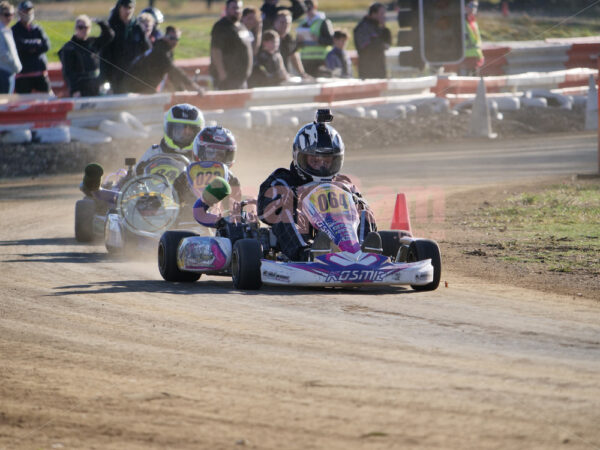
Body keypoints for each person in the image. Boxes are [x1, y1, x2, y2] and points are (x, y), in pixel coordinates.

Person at [257, 109, 378, 262]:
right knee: (284, 211)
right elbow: (264, 213)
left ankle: (363, 250)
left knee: (363, 210)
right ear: (299, 157)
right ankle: (307, 254)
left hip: (339, 235)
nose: (321, 167)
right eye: (315, 161)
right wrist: (293, 195)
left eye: (326, 162)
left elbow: (361, 205)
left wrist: (354, 199)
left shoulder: (342, 183)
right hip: (300, 237)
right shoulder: (282, 180)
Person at [124, 26, 201, 94]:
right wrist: (194, 86)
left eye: (177, 39)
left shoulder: (166, 50)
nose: (174, 41)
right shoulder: (160, 50)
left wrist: (181, 91)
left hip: (143, 87)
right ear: (165, 37)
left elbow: (172, 74)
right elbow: (173, 70)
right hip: (135, 87)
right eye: (172, 38)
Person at [135, 103, 205, 175]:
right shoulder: (154, 152)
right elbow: (132, 179)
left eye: (190, 131)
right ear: (168, 129)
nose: (184, 134)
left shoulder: (200, 158)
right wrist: (139, 171)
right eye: (179, 130)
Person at [58, 15, 114, 97]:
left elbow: (109, 35)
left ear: (89, 28)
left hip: (96, 84)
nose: (83, 30)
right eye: (80, 27)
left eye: (86, 27)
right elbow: (68, 72)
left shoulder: (93, 43)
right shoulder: (69, 48)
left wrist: (100, 22)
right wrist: (75, 90)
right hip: (81, 87)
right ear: (76, 28)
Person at [101, 0, 150, 94]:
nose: (127, 11)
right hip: (115, 77)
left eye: (130, 8)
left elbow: (147, 50)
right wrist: (105, 80)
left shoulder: (137, 28)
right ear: (119, 8)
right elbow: (104, 56)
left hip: (134, 76)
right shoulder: (111, 27)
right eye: (125, 8)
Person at [209, 0, 253, 90]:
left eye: (239, 8)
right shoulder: (221, 26)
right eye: (234, 8)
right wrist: (222, 73)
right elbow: (215, 51)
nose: (237, 11)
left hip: (241, 78)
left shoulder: (241, 26)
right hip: (228, 78)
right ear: (227, 9)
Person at [12, 0, 51, 94]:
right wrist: (37, 43)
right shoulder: (14, 30)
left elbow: (46, 46)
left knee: (46, 101)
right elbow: (19, 46)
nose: (28, 14)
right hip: (23, 75)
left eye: (29, 11)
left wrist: (29, 47)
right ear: (20, 13)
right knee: (23, 103)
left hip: (40, 73)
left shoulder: (37, 29)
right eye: (25, 11)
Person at [353, 2, 391, 79]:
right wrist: (381, 45)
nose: (384, 16)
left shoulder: (378, 27)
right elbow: (366, 48)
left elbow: (388, 44)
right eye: (381, 14)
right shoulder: (363, 27)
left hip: (380, 71)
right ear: (373, 14)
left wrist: (384, 28)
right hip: (368, 72)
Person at [295, 0, 333, 77]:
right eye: (305, 10)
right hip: (305, 61)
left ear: (315, 7)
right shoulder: (302, 24)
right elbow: (297, 45)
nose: (308, 12)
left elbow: (331, 41)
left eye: (309, 9)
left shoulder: (323, 22)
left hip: (321, 60)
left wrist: (318, 39)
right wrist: (298, 41)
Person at [273, 10, 310, 79]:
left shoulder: (289, 39)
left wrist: (302, 74)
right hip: (271, 76)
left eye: (288, 23)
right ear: (275, 22)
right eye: (282, 22)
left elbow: (294, 56)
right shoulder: (270, 37)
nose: (285, 25)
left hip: (285, 75)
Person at [0, 1, 21, 94]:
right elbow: (2, 53)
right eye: (6, 14)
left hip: (9, 71)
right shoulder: (1, 31)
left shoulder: (6, 29)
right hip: (4, 71)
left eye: (12, 14)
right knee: (4, 103)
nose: (10, 17)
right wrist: (15, 65)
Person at [458, 0, 484, 76]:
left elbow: (476, 42)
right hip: (464, 58)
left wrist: (480, 56)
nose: (474, 8)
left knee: (474, 83)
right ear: (465, 7)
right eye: (472, 6)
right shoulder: (461, 21)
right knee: (463, 83)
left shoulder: (473, 22)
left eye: (476, 6)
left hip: (474, 59)